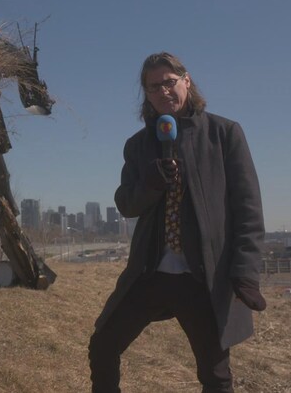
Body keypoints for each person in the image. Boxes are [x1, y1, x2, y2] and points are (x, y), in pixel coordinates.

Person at [89, 52, 266, 393]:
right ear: (146, 94)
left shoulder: (224, 134)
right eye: (153, 87)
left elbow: (248, 209)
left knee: (215, 375)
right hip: (150, 272)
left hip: (203, 278)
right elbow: (127, 204)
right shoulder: (139, 145)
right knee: (103, 345)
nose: (163, 92)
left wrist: (245, 272)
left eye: (169, 82)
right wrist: (150, 185)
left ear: (186, 80)